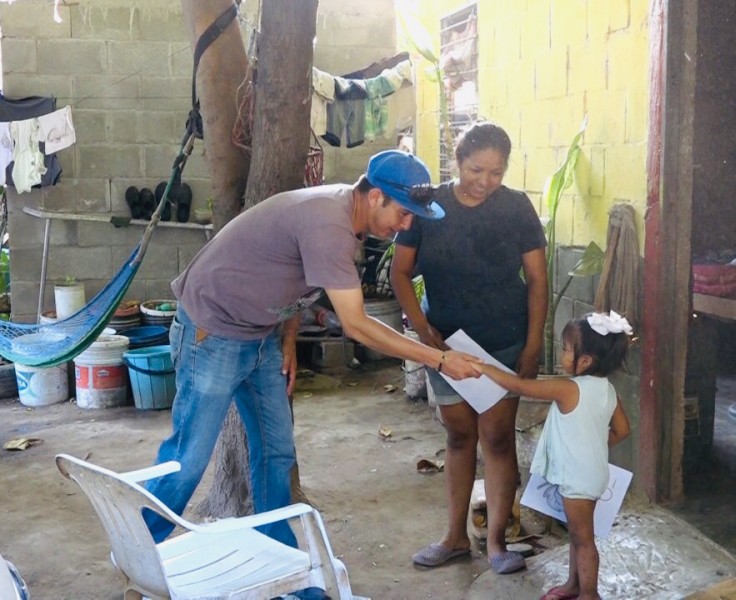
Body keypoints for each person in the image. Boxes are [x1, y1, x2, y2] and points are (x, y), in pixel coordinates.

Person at [143, 149, 481, 548]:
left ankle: (277, 558)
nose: (406, 225)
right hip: (212, 331)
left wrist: (288, 340)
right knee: (189, 459)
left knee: (276, 454)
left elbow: (292, 273)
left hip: (259, 336)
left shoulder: (346, 216)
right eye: (403, 213)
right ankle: (141, 556)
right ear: (375, 197)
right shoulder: (328, 222)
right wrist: (440, 359)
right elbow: (357, 325)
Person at [391, 121, 549, 575]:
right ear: (457, 161)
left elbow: (537, 280)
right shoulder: (429, 207)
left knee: (497, 439)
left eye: (496, 172)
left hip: (503, 342)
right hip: (447, 345)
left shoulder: (516, 209)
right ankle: (455, 537)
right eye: (477, 169)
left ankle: (498, 541)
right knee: (459, 436)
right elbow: (401, 274)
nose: (485, 181)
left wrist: (533, 343)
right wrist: (423, 333)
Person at [476, 312, 632, 600]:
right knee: (578, 534)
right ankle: (575, 585)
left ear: (585, 361)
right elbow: (623, 430)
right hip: (593, 474)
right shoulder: (608, 391)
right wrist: (593, 444)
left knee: (583, 540)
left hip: (577, 481)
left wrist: (484, 367)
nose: (563, 354)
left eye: (567, 349)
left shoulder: (568, 388)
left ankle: (589, 594)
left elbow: (520, 386)